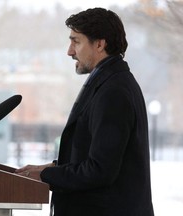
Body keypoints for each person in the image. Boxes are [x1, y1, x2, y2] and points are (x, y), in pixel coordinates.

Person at [15, 7, 154, 216]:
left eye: (76, 41)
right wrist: (48, 168)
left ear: (100, 44)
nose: (70, 51)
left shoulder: (113, 91)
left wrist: (47, 176)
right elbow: (95, 155)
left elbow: (100, 170)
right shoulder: (109, 82)